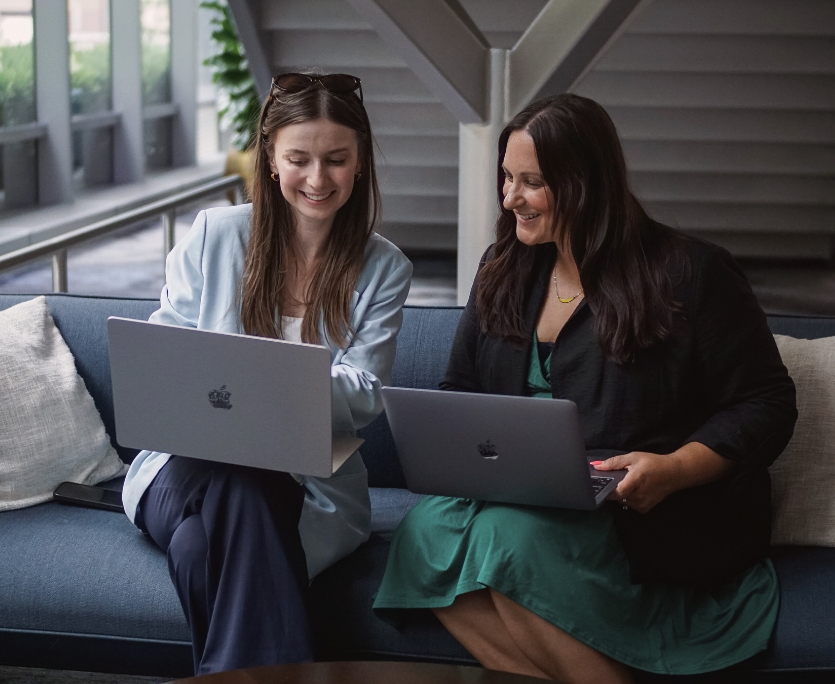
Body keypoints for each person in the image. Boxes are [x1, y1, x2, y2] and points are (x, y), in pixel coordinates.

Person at [372, 93, 797, 683]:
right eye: (506, 178)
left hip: (648, 512)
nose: (509, 197)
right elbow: (460, 389)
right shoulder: (503, 266)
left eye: (531, 182)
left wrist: (674, 468)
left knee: (504, 535)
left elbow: (766, 403)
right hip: (520, 494)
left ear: (585, 184)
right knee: (422, 531)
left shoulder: (691, 272)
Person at [121, 72, 412, 675]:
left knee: (204, 548)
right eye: (299, 159)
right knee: (240, 479)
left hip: (309, 479)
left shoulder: (383, 267)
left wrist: (270, 378)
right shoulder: (215, 235)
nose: (317, 178)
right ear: (271, 161)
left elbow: (364, 398)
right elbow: (165, 356)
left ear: (359, 165)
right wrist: (271, 382)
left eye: (336, 160)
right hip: (186, 467)